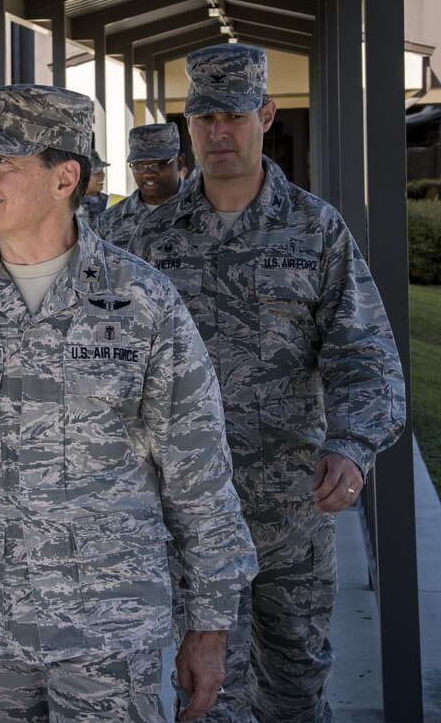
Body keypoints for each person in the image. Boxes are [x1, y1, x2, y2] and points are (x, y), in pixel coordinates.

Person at [0, 83, 257, 723]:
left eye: (3, 163)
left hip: (112, 633)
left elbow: (199, 472)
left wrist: (211, 625)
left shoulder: (144, 303)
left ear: (64, 177)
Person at [128, 44, 406, 722]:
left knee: (295, 695)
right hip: (184, 525)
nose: (220, 133)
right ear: (186, 125)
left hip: (290, 519)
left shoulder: (316, 230)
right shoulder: (141, 236)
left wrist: (352, 442)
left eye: (234, 115)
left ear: (266, 115)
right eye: (205, 118)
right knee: (208, 698)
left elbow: (366, 353)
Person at [94, 123, 186, 249]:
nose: (148, 174)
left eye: (158, 164)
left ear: (179, 162)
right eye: (139, 166)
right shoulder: (107, 223)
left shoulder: (206, 210)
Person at [78, 148, 110, 222]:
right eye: (96, 173)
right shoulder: (72, 204)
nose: (102, 175)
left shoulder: (109, 201)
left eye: (102, 171)